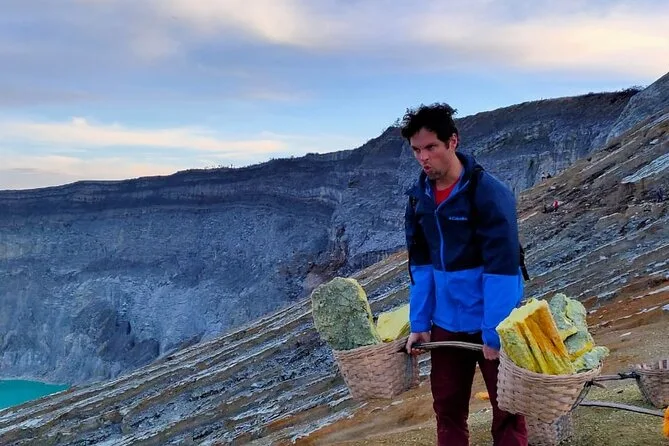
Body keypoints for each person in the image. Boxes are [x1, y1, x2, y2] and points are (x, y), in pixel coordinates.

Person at [401, 103, 527, 446]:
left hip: (493, 322)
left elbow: (503, 270)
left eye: (431, 147)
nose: (423, 158)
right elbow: (421, 267)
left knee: (509, 409)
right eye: (416, 150)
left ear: (452, 141)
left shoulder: (489, 193)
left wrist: (494, 332)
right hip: (446, 322)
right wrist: (419, 324)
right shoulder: (419, 199)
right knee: (447, 409)